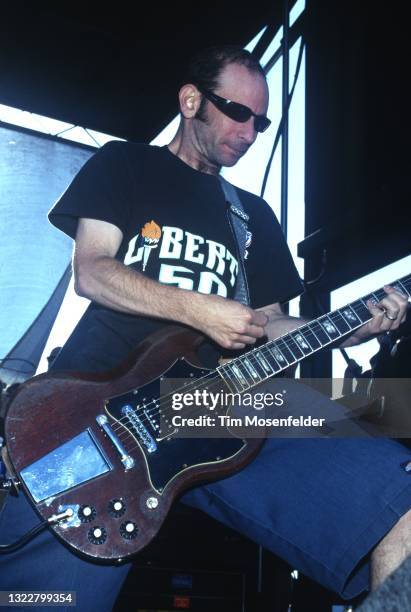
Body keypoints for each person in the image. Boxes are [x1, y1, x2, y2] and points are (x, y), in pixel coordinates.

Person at [0, 45, 409, 611]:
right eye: (237, 112)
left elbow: (267, 327)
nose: (249, 132)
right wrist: (199, 309)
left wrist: (348, 328)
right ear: (191, 100)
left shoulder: (252, 216)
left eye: (261, 122)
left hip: (222, 409)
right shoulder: (126, 164)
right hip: (99, 411)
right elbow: (92, 273)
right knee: (39, 601)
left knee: (398, 508)